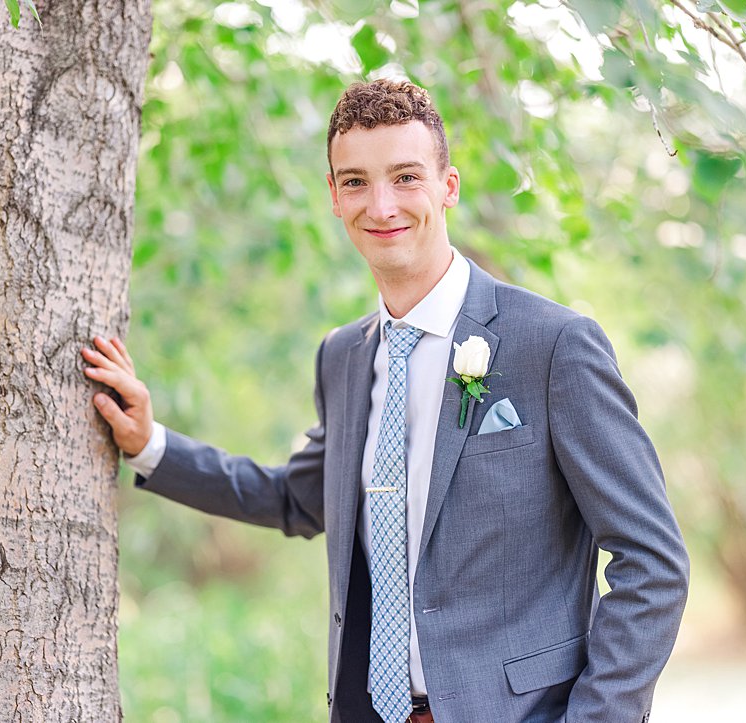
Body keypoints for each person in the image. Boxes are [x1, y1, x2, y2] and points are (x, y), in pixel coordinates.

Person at [82, 78, 686, 722]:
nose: (382, 205)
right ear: (334, 198)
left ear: (447, 186)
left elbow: (652, 561)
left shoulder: (554, 347)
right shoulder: (343, 358)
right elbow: (297, 499)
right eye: (355, 182)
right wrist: (149, 445)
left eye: (405, 176)